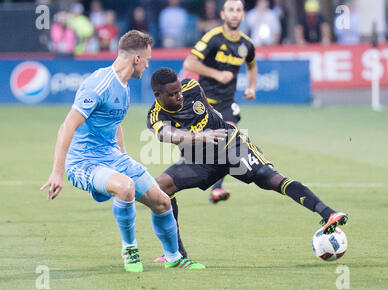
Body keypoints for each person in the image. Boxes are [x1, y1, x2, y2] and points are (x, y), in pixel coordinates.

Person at [40, 31, 205, 272]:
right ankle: (130, 249)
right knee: (125, 187)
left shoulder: (124, 86)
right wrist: (57, 173)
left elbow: (114, 123)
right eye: (147, 59)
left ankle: (174, 258)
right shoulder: (99, 85)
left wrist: (123, 156)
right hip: (84, 162)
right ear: (136, 58)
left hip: (112, 157)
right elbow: (66, 126)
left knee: (162, 201)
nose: (148, 64)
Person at [147, 67, 349, 262]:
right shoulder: (156, 115)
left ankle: (328, 213)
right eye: (172, 95)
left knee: (272, 179)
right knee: (161, 187)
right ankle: (176, 252)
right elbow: (167, 134)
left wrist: (214, 112)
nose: (179, 96)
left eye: (179, 91)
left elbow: (205, 103)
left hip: (232, 146)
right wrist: (199, 136)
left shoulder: (190, 86)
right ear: (158, 95)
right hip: (201, 160)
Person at [183, 0, 257, 204]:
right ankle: (171, 184)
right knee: (198, 150)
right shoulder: (213, 38)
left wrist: (251, 87)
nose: (234, 14)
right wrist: (217, 74)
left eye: (238, 10)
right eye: (230, 10)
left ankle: (217, 189)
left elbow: (252, 65)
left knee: (230, 136)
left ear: (243, 15)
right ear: (223, 14)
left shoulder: (246, 44)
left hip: (226, 102)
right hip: (204, 103)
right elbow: (189, 62)